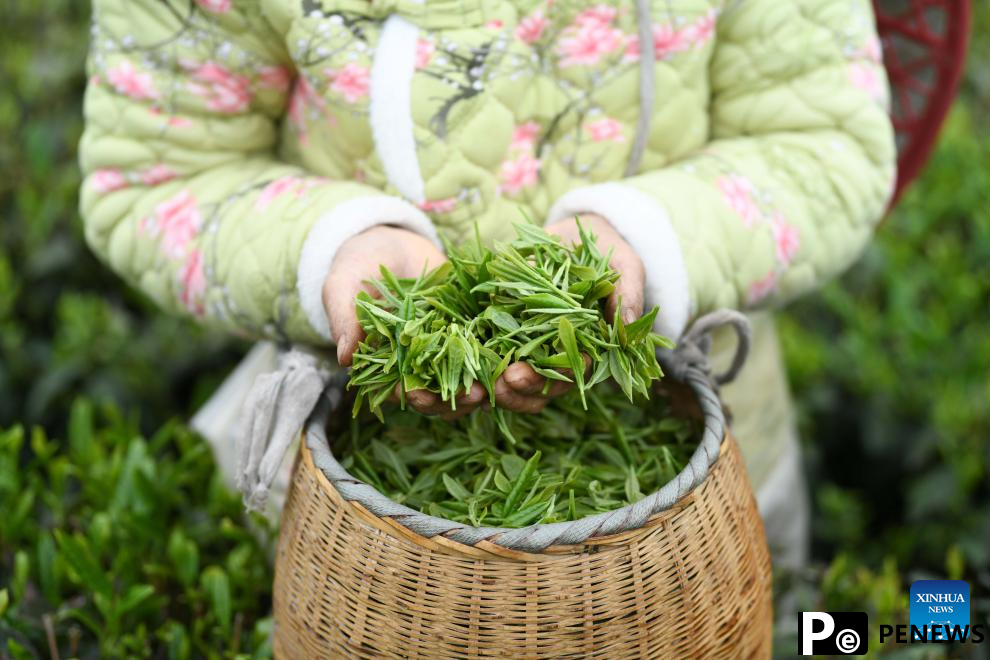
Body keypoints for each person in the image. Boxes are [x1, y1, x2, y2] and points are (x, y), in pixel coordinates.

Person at [79, 0, 896, 571]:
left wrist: (648, 239)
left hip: (702, 441)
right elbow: (157, 171)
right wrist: (333, 247)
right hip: (362, 462)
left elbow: (823, 141)